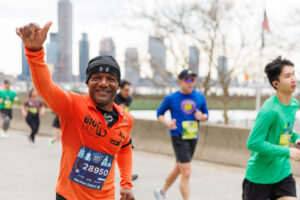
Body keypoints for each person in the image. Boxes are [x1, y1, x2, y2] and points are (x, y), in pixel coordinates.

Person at [16, 22, 134, 200]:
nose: (103, 83)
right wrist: (34, 51)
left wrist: (126, 184)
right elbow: (46, 88)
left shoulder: (126, 120)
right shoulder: (72, 105)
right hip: (68, 196)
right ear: (87, 83)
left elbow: (124, 148)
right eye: (96, 78)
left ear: (117, 85)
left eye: (110, 79)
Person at [242, 57, 300, 200]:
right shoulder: (269, 110)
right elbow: (253, 142)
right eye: (287, 76)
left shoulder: (293, 105)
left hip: (283, 173)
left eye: (293, 74)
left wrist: (296, 138)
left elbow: (284, 129)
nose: (293, 79)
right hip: (259, 178)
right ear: (276, 83)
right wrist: (287, 151)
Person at [155, 69, 208, 200]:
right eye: (188, 80)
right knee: (187, 172)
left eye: (193, 80)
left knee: (180, 168)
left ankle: (161, 192)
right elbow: (159, 114)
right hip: (178, 136)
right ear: (180, 81)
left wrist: (201, 116)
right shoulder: (171, 98)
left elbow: (206, 115)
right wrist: (168, 123)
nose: (191, 83)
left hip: (193, 137)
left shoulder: (200, 97)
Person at [114, 80, 138, 181]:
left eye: (129, 90)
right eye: (125, 90)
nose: (127, 92)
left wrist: (129, 117)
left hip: (124, 129)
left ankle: (128, 175)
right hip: (114, 128)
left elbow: (126, 111)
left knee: (127, 150)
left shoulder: (129, 99)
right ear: (120, 89)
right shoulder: (114, 98)